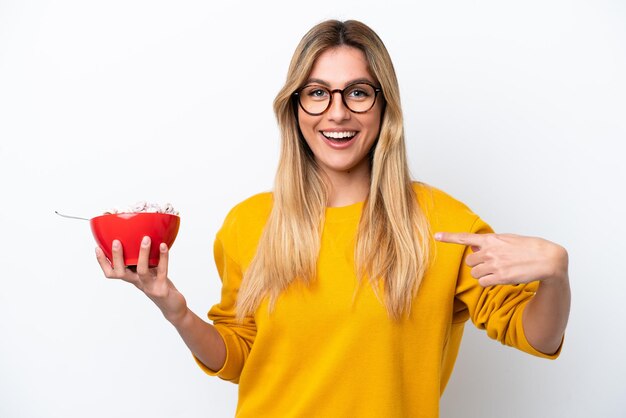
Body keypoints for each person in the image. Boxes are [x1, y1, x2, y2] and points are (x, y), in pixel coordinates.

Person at [95, 19, 571, 418]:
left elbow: (537, 336)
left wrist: (555, 276)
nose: (337, 113)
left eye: (358, 93)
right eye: (317, 93)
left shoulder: (439, 221)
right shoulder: (248, 223)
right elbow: (241, 358)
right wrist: (175, 311)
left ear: (385, 107)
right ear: (295, 107)